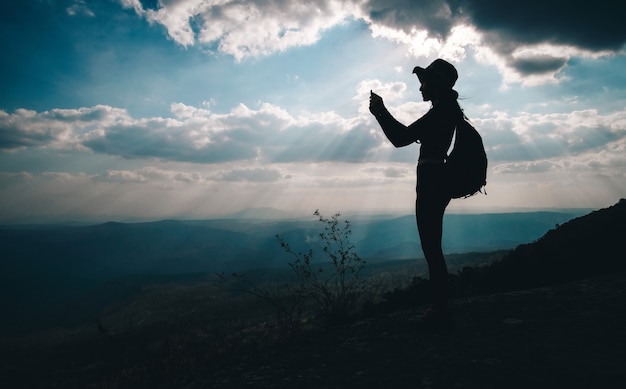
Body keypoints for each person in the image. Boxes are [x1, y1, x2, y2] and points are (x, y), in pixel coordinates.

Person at [369, 58, 463, 329]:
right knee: (432, 244)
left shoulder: (441, 111)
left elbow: (400, 139)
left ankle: (439, 307)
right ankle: (440, 304)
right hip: (437, 178)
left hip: (432, 181)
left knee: (431, 245)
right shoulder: (447, 109)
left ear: (436, 84)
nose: (420, 88)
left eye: (424, 82)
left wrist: (380, 112)